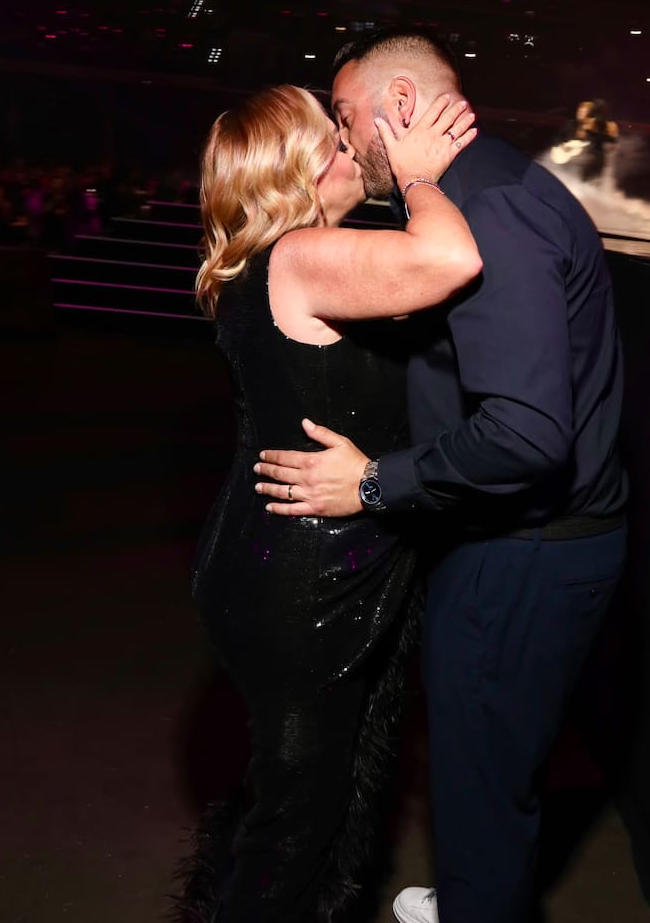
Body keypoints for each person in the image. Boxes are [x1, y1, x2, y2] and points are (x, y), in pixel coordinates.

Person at [253, 29, 629, 923]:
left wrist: (373, 483)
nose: (344, 141)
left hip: (522, 553)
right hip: (525, 542)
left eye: (346, 118)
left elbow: (526, 434)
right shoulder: (480, 190)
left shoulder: (487, 212)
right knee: (480, 765)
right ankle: (473, 895)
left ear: (401, 107)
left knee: (484, 775)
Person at [170, 82, 481, 923]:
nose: (354, 150)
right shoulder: (302, 256)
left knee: (298, 798)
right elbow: (451, 261)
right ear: (299, 172)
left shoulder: (261, 264)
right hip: (303, 583)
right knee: (297, 824)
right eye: (336, 143)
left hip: (273, 557)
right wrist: (419, 176)